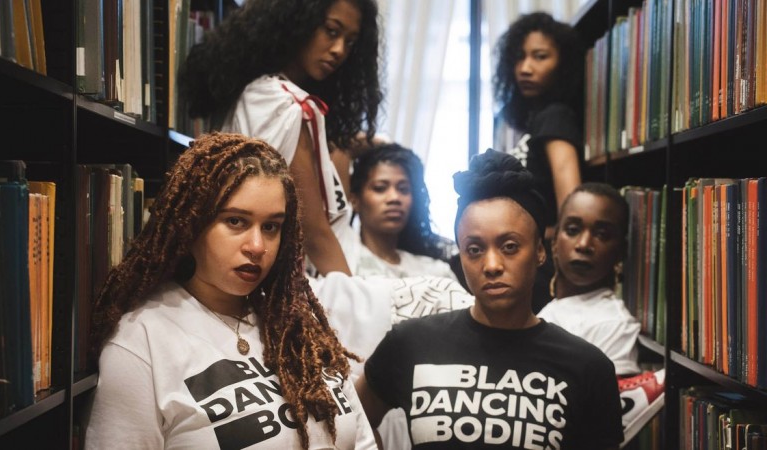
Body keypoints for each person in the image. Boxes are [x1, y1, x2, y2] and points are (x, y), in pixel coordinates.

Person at [85, 133, 376, 449]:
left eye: (271, 227)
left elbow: (363, 441)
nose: (257, 246)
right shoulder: (142, 340)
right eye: (236, 221)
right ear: (191, 224)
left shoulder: (297, 328)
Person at [355, 150, 623, 449]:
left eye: (509, 247)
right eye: (474, 249)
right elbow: (354, 421)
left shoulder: (587, 367)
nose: (492, 265)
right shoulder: (411, 342)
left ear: (540, 251)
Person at [179, 0, 382, 276]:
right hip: (315, 280)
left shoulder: (264, 94)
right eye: (331, 31)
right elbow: (315, 234)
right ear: (295, 21)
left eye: (350, 42)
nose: (339, 50)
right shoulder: (281, 103)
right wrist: (354, 295)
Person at [537, 182, 665, 446]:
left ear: (620, 251)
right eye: (573, 230)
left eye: (602, 234)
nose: (584, 244)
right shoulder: (555, 307)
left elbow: (603, 427)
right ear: (555, 240)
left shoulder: (613, 323)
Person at [493, 11, 585, 313]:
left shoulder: (555, 116)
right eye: (519, 57)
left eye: (540, 56)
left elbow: (572, 205)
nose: (526, 68)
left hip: (540, 264)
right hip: (509, 253)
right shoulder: (514, 119)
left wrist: (533, 238)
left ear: (562, 64)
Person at [346, 143, 456, 279]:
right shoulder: (342, 261)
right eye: (380, 188)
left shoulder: (436, 273)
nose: (394, 198)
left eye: (403, 189)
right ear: (355, 200)